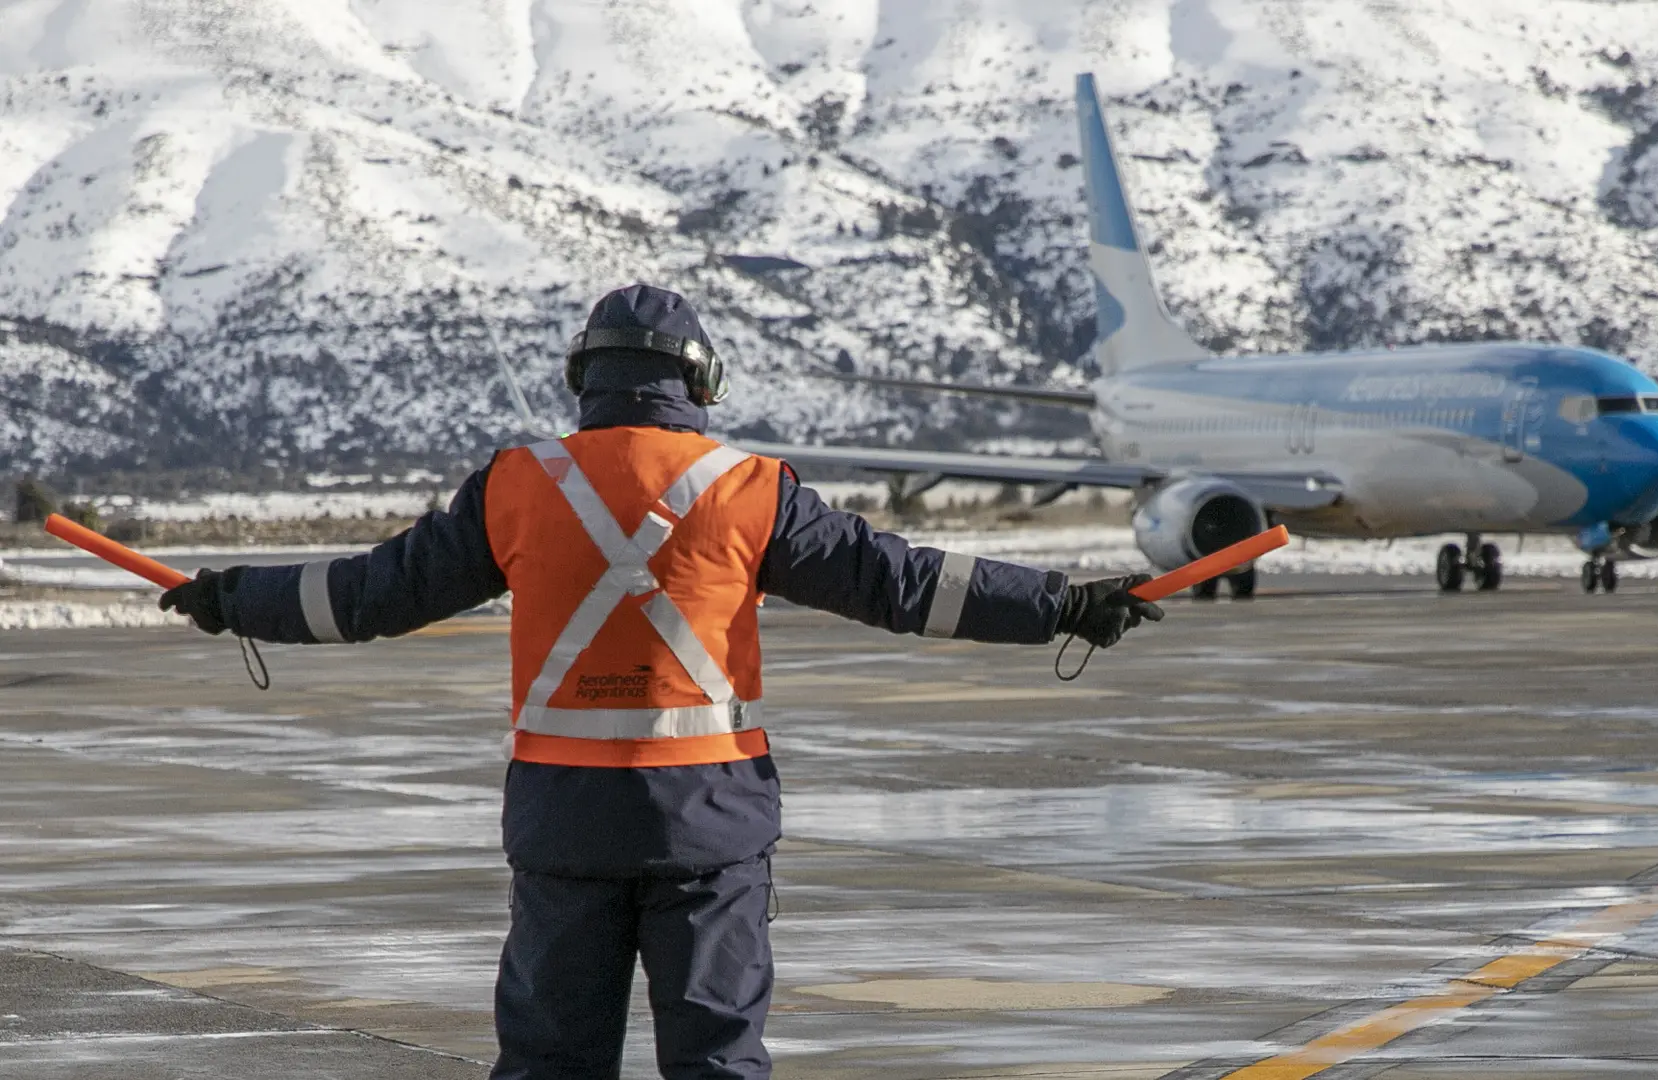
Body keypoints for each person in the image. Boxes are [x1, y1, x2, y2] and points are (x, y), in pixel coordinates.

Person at [157, 284, 1163, 1080]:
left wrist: (233, 598)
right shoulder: (752, 490)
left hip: (563, 827)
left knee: (550, 1061)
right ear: (701, 382)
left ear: (582, 378)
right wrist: (1061, 605)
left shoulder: (516, 485)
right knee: (719, 1061)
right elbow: (904, 584)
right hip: (710, 824)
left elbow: (371, 593)